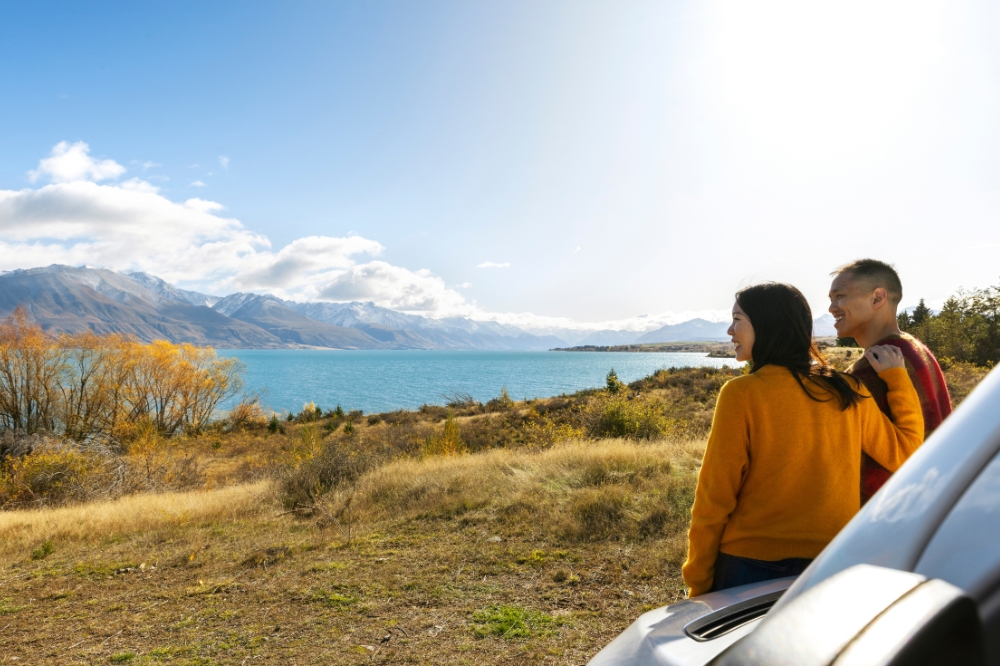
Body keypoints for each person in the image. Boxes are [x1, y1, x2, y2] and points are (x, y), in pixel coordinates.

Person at [682, 283, 923, 597]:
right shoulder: (847, 389)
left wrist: (698, 582)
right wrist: (896, 378)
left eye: (738, 319)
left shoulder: (741, 394)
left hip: (750, 566)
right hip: (830, 565)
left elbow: (714, 499)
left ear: (768, 324)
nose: (730, 330)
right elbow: (907, 453)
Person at [829, 259, 952, 504]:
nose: (832, 307)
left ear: (877, 298)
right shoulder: (914, 349)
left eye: (839, 296)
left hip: (884, 509)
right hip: (929, 497)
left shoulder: (872, 369)